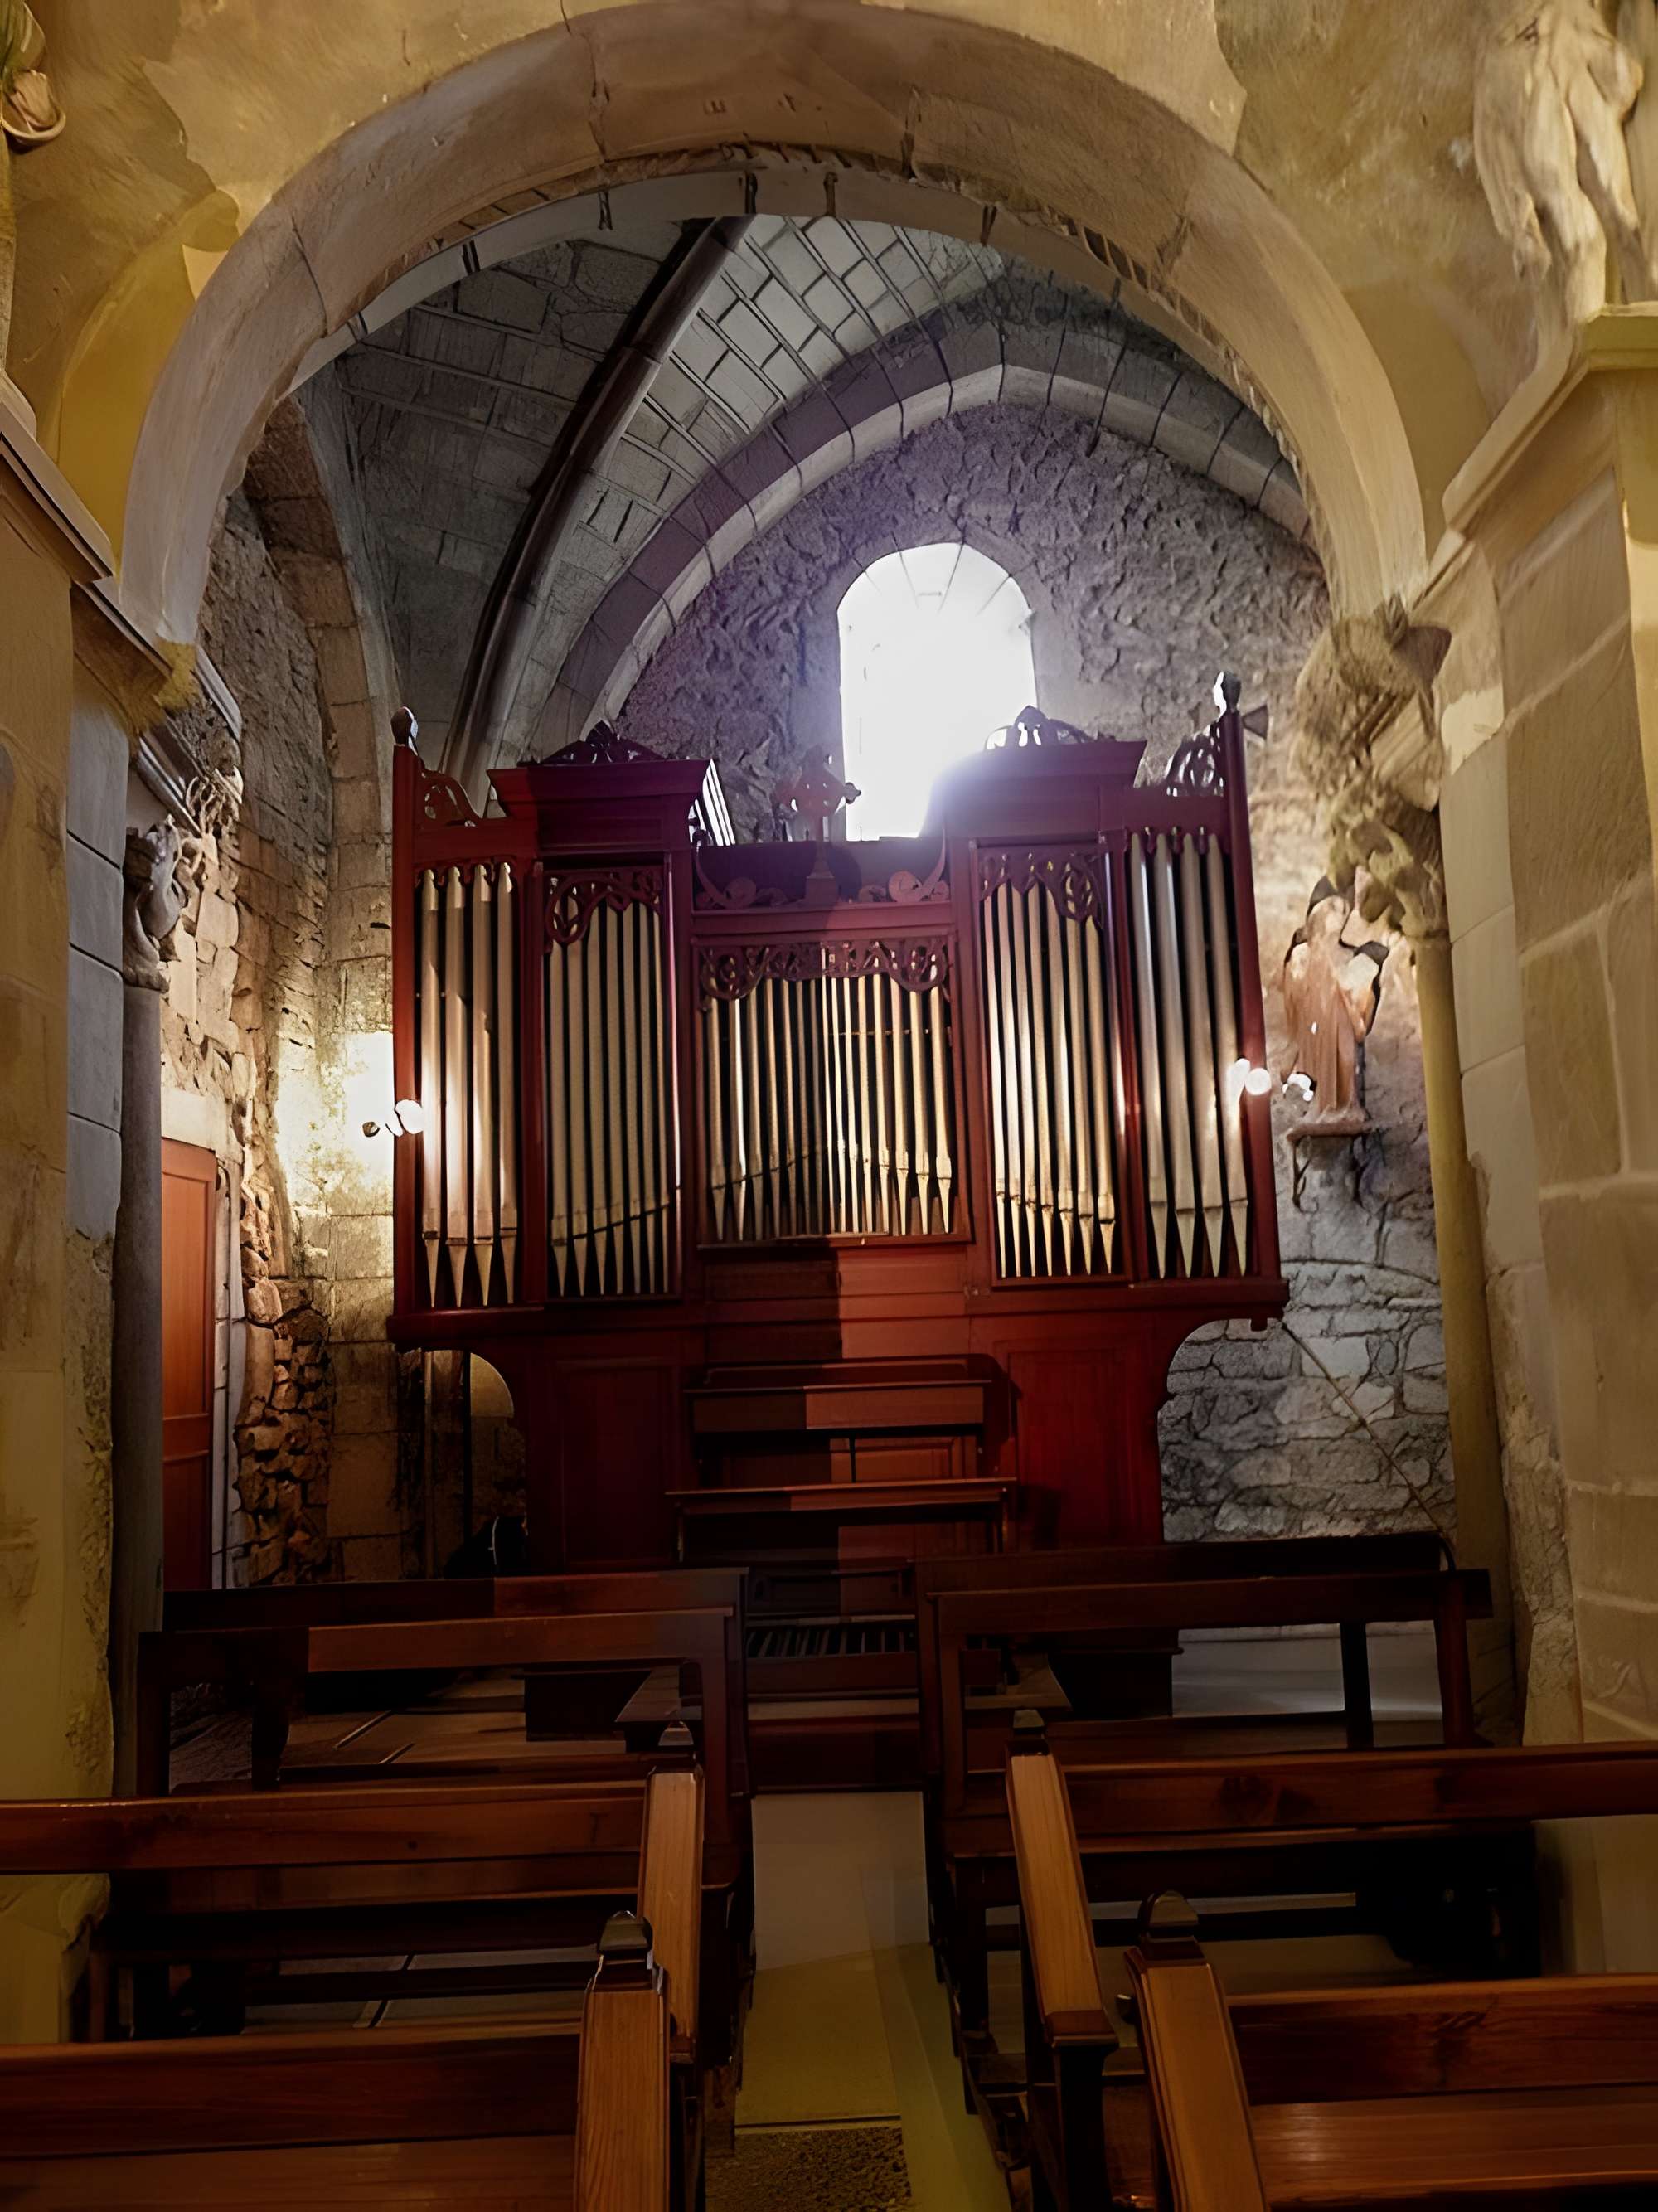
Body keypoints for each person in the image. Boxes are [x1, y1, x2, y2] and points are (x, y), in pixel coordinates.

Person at [1281, 880, 1388, 1133]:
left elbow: (1361, 1007)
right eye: (1333, 907)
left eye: (1343, 909)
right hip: (1314, 1023)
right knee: (1317, 1065)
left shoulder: (1349, 956)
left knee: (1346, 1058)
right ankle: (1320, 1107)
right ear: (1317, 912)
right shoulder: (1301, 955)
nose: (1339, 914)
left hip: (1341, 1022)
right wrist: (1296, 1035)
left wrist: (1364, 984)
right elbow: (1293, 1002)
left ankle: (1346, 1104)